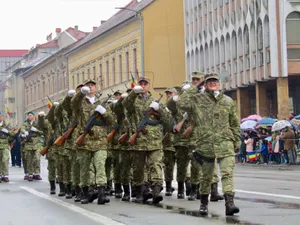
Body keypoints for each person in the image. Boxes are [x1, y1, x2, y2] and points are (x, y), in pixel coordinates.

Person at [176, 73, 240, 216]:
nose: (212, 83)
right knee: (206, 176)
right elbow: (181, 103)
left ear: (219, 83)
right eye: (209, 81)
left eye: (214, 81)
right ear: (205, 84)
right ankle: (204, 203)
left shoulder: (228, 101)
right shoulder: (197, 100)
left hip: (225, 143)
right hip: (205, 144)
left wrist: (237, 141)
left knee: (227, 173)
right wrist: (196, 86)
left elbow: (235, 123)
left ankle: (230, 203)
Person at [123, 77, 166, 204]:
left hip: (154, 140)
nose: (142, 86)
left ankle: (156, 190)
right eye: (140, 84)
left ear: (149, 86)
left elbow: (166, 119)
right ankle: (140, 191)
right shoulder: (133, 101)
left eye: (145, 84)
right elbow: (125, 105)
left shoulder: (155, 101)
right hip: (139, 140)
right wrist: (133, 92)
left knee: (155, 164)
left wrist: (159, 110)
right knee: (138, 168)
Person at [72, 79, 113, 204]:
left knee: (100, 165)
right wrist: (80, 93)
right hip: (84, 141)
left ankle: (101, 193)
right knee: (85, 169)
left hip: (100, 141)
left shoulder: (102, 103)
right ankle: (86, 193)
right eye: (88, 86)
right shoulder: (80, 103)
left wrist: (104, 113)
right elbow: (73, 104)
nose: (90, 87)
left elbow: (111, 122)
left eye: (92, 85)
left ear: (95, 88)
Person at [21, 112, 43, 181]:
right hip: (28, 144)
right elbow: (22, 129)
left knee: (37, 158)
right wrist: (24, 132)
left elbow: (42, 132)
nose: (29, 117)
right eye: (28, 115)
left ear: (34, 116)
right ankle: (30, 174)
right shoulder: (25, 124)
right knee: (29, 159)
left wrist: (36, 130)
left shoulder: (38, 123)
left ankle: (37, 174)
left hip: (36, 144)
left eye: (30, 115)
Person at [0, 113, 14, 182]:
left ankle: (5, 175)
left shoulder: (6, 125)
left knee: (5, 160)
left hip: (5, 145)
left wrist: (7, 131)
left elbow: (12, 133)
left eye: (0, 116)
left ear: (2, 117)